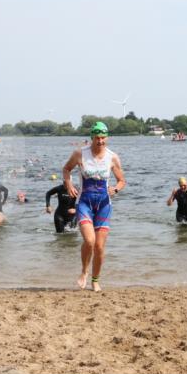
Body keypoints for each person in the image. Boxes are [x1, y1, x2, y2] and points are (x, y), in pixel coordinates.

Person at [62, 121, 126, 292]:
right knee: (89, 241)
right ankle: (84, 271)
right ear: (92, 137)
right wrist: (69, 185)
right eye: (97, 137)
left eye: (103, 137)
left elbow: (122, 180)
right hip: (84, 202)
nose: (100, 141)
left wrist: (116, 189)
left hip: (104, 204)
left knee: (99, 246)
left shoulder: (112, 157)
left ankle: (95, 280)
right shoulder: (80, 154)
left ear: (107, 137)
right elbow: (66, 169)